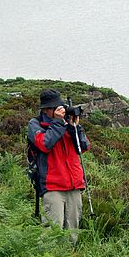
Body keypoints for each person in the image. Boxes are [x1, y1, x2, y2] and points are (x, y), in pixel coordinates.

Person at [28, 88, 90, 245]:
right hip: (53, 186)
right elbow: (45, 144)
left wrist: (75, 127)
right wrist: (57, 123)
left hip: (74, 185)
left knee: (72, 232)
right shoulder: (35, 125)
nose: (59, 110)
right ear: (46, 109)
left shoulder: (66, 124)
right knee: (52, 233)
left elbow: (83, 147)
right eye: (54, 108)